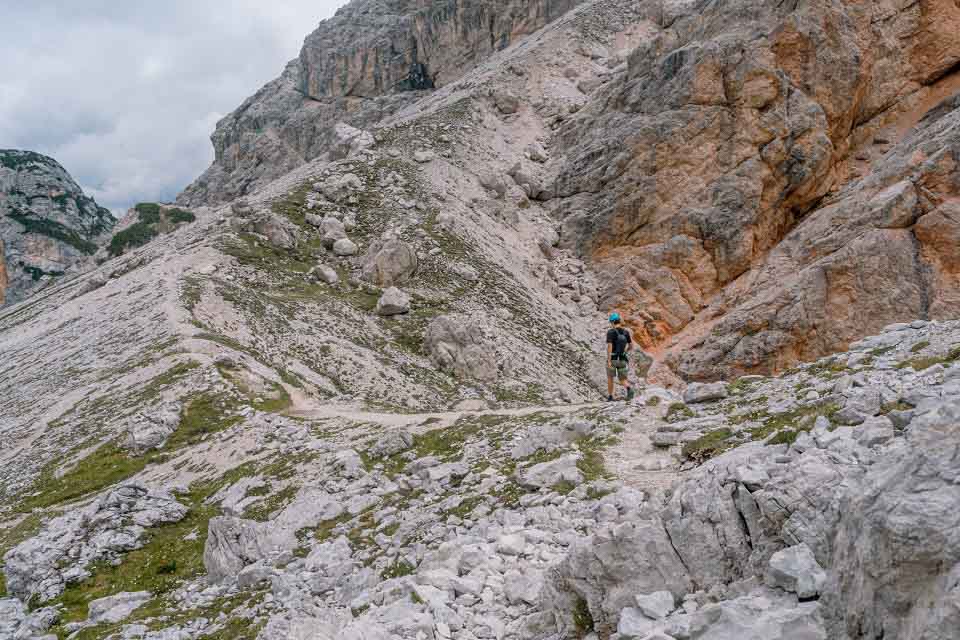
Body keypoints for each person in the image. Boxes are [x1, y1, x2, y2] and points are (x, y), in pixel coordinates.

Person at [606, 312, 634, 401]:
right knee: (622, 379)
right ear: (619, 321)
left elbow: (609, 346)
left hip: (613, 358)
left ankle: (610, 397)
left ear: (613, 322)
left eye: (611, 322)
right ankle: (629, 388)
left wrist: (609, 360)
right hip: (622, 359)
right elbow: (631, 346)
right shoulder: (626, 332)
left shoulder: (610, 332)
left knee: (610, 378)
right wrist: (624, 352)